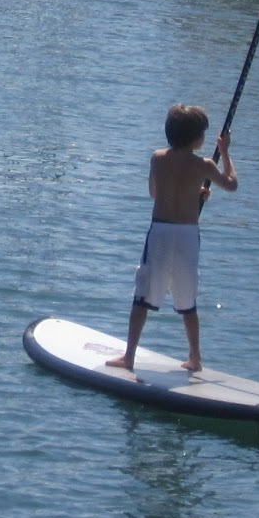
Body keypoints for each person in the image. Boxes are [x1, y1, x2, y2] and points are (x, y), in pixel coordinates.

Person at [105, 104, 237, 375]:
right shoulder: (204, 165)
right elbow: (231, 184)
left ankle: (129, 356)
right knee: (188, 301)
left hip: (161, 234)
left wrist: (191, 191)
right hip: (187, 236)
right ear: (197, 138)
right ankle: (195, 357)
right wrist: (224, 152)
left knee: (142, 296)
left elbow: (155, 194)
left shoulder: (157, 158)